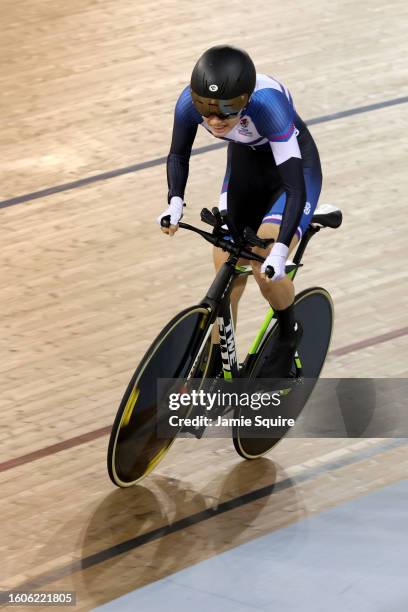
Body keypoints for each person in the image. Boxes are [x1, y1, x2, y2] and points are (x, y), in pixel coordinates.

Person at [157, 44, 322, 378]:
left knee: (263, 267)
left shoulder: (269, 105)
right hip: (247, 166)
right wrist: (175, 201)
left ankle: (289, 333)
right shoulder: (189, 104)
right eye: (208, 111)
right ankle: (218, 360)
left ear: (246, 100)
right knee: (226, 265)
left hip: (292, 172)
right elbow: (178, 155)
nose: (215, 121)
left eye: (227, 112)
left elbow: (294, 186)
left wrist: (278, 250)